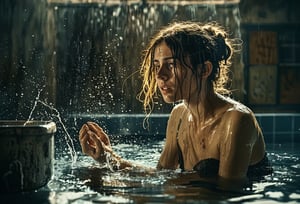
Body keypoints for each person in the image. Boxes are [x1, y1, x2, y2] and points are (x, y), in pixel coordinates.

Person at [79, 21, 272, 188]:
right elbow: (160, 175)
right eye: (156, 66)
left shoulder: (236, 120)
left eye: (170, 65)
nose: (160, 75)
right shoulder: (179, 116)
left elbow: (228, 191)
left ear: (204, 69)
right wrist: (108, 158)